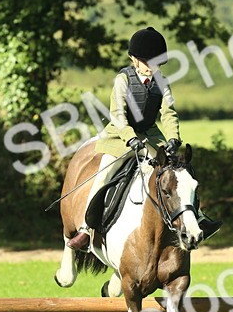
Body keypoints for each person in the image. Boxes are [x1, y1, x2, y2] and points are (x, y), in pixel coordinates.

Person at [67, 26, 222, 250]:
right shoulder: (123, 80)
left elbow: (168, 113)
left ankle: (197, 218)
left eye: (157, 63)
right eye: (149, 62)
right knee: (104, 174)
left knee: (181, 173)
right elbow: (118, 115)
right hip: (120, 137)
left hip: (150, 136)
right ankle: (85, 229)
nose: (153, 68)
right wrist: (130, 138)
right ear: (134, 60)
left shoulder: (162, 82)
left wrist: (173, 138)